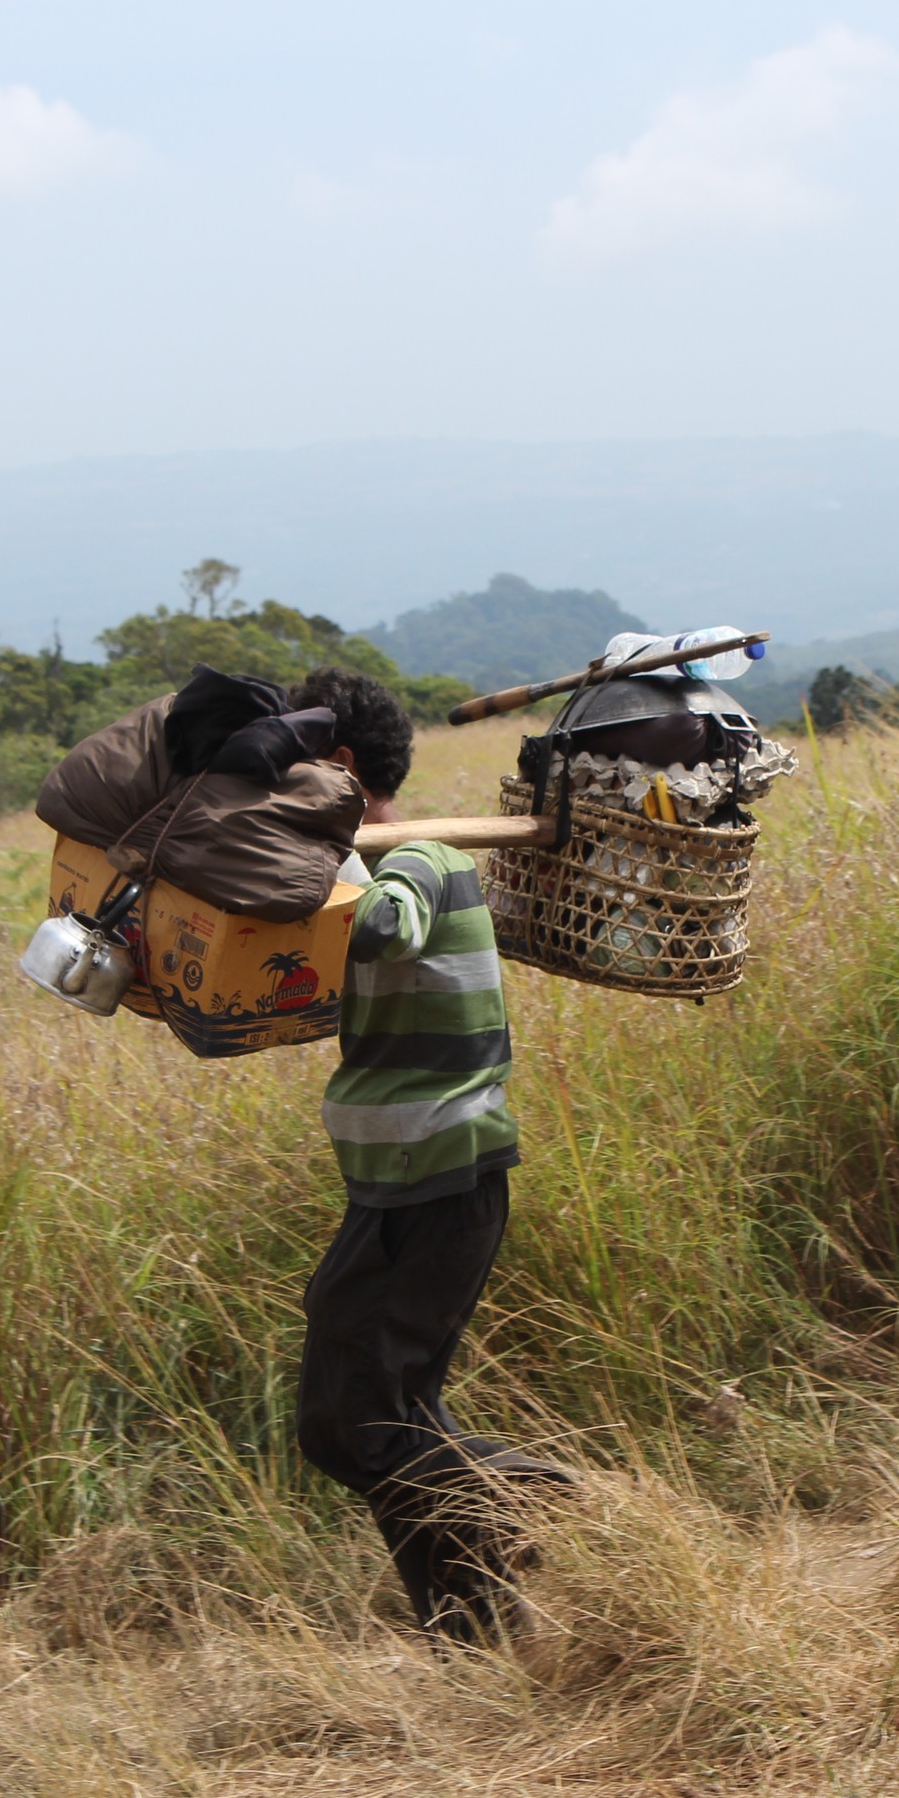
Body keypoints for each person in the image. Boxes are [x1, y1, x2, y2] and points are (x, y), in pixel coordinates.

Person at [286, 665, 576, 1646]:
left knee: (361, 1423)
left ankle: (561, 1499)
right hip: (399, 1186)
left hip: (444, 1185)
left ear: (336, 766)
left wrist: (308, 867)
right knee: (357, 1418)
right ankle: (475, 1633)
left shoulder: (416, 860)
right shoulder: (369, 858)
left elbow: (386, 925)